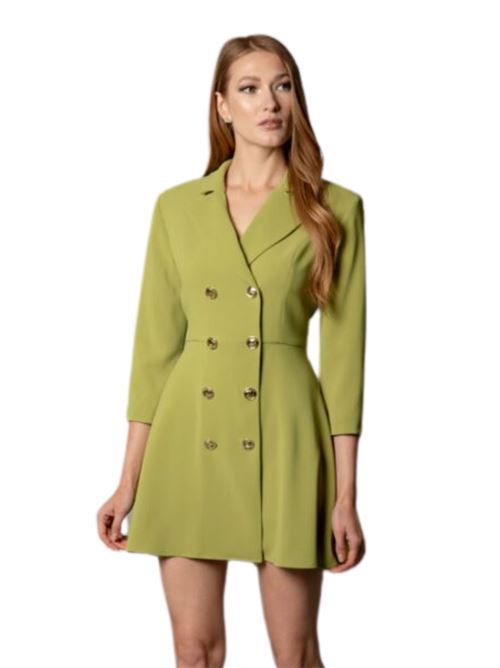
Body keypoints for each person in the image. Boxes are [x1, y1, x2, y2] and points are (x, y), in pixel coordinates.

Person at [97, 33, 367, 668]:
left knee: (295, 654)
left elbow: (344, 364)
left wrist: (345, 495)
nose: (269, 102)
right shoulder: (176, 209)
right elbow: (154, 353)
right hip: (189, 436)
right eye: (249, 89)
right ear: (222, 106)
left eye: (282, 86)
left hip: (286, 435)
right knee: (194, 651)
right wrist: (127, 481)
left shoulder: (335, 209)